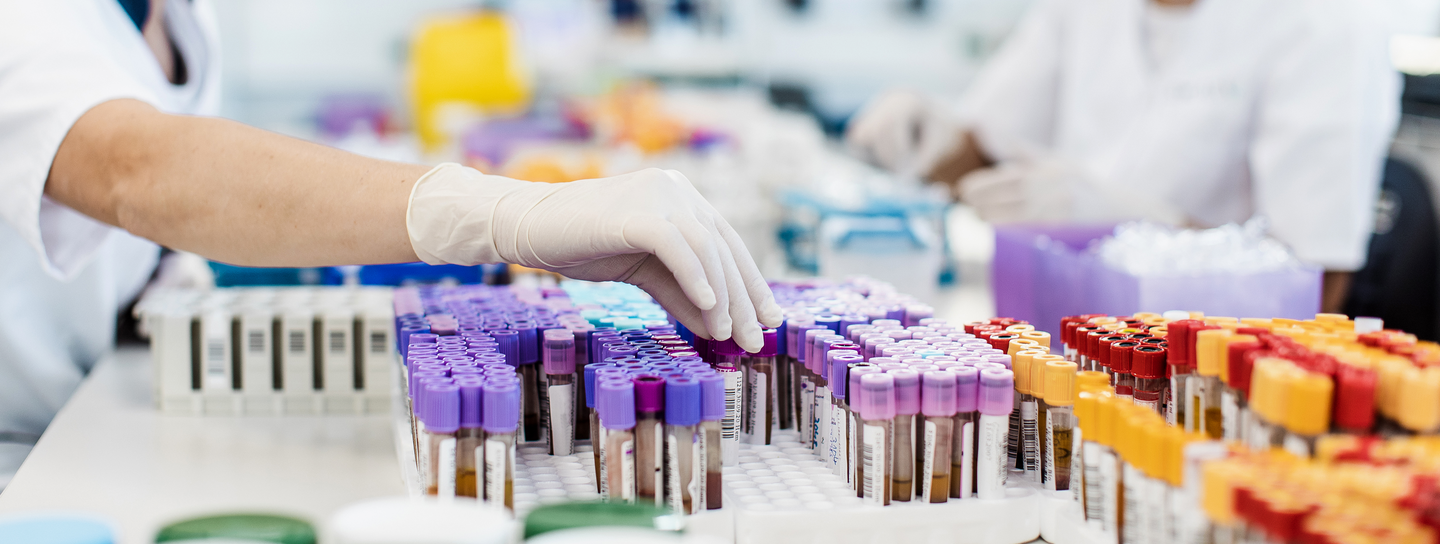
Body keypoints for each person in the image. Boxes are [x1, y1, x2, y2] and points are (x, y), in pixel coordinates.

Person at [0, 0, 780, 489]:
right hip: (25, 453)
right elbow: (136, 167)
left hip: (102, 399)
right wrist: (494, 211)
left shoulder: (176, 17)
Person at [847, 0, 1399, 313]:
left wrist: (1140, 228)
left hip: (1192, 382)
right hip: (1065, 339)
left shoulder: (1328, 21)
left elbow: (1312, 290)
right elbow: (984, 161)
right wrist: (933, 140)